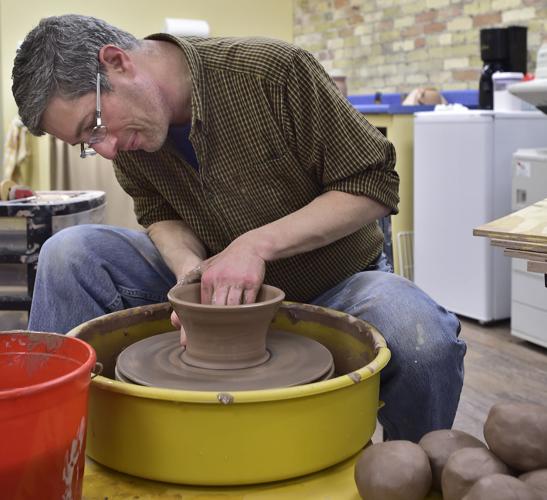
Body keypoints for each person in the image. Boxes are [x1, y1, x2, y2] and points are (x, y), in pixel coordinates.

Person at [12, 14, 466, 442]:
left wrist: (256, 245)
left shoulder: (272, 72)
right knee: (68, 252)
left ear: (116, 62)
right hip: (218, 283)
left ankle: (415, 472)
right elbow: (157, 213)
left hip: (339, 282)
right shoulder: (130, 139)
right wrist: (190, 274)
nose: (107, 150)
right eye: (87, 144)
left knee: (422, 339)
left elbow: (374, 183)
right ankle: (51, 449)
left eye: (93, 125)